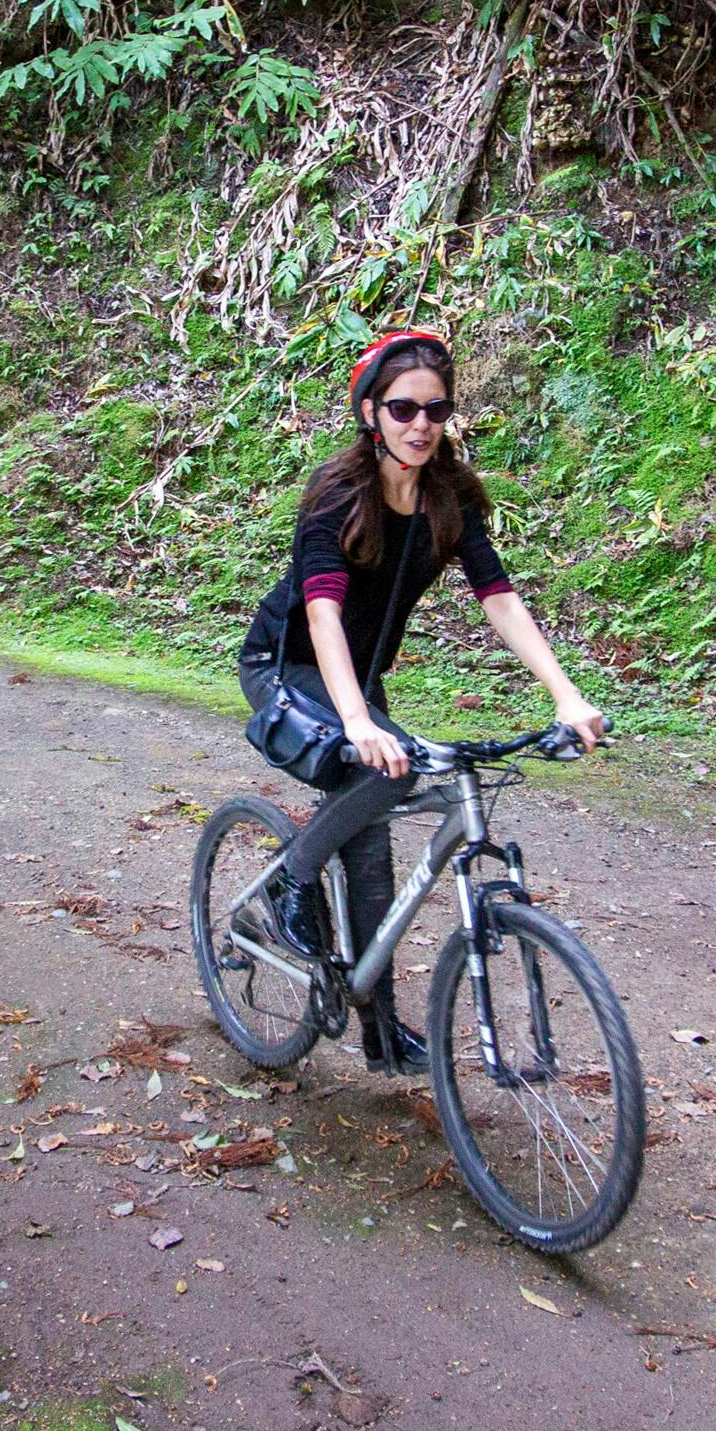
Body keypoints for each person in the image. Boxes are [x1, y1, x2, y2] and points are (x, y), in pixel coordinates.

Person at [237, 329, 607, 1071]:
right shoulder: (337, 496)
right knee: (386, 773)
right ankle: (291, 883)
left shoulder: (451, 498)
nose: (421, 425)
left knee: (373, 845)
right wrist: (353, 722)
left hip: (358, 681)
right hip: (290, 668)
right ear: (371, 413)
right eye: (403, 408)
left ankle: (378, 1029)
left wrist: (568, 696)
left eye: (436, 411)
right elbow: (322, 616)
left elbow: (499, 600)